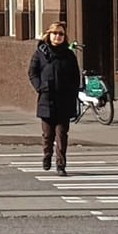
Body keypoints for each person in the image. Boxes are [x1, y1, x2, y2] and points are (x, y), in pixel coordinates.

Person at [29, 21, 80, 175]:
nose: (58, 36)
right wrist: (40, 87)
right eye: (55, 33)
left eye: (61, 34)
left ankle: (61, 165)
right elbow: (32, 72)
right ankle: (47, 156)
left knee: (62, 135)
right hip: (47, 100)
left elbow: (75, 76)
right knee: (47, 135)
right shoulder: (40, 53)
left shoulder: (69, 55)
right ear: (49, 34)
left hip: (64, 101)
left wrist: (73, 92)